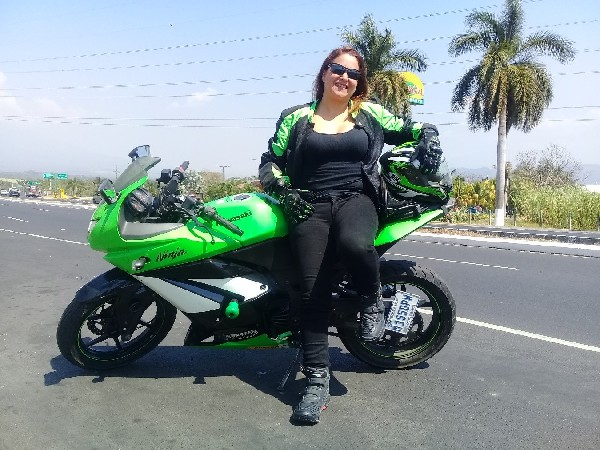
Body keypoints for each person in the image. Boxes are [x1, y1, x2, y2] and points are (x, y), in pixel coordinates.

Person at [258, 47, 443, 424]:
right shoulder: (296, 117)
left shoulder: (369, 113)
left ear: (359, 83)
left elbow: (412, 128)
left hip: (357, 199)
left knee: (355, 244)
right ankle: (316, 381)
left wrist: (429, 135)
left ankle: (371, 297)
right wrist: (283, 191)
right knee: (312, 292)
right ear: (324, 73)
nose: (345, 77)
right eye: (338, 69)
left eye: (353, 74)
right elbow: (270, 162)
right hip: (309, 205)